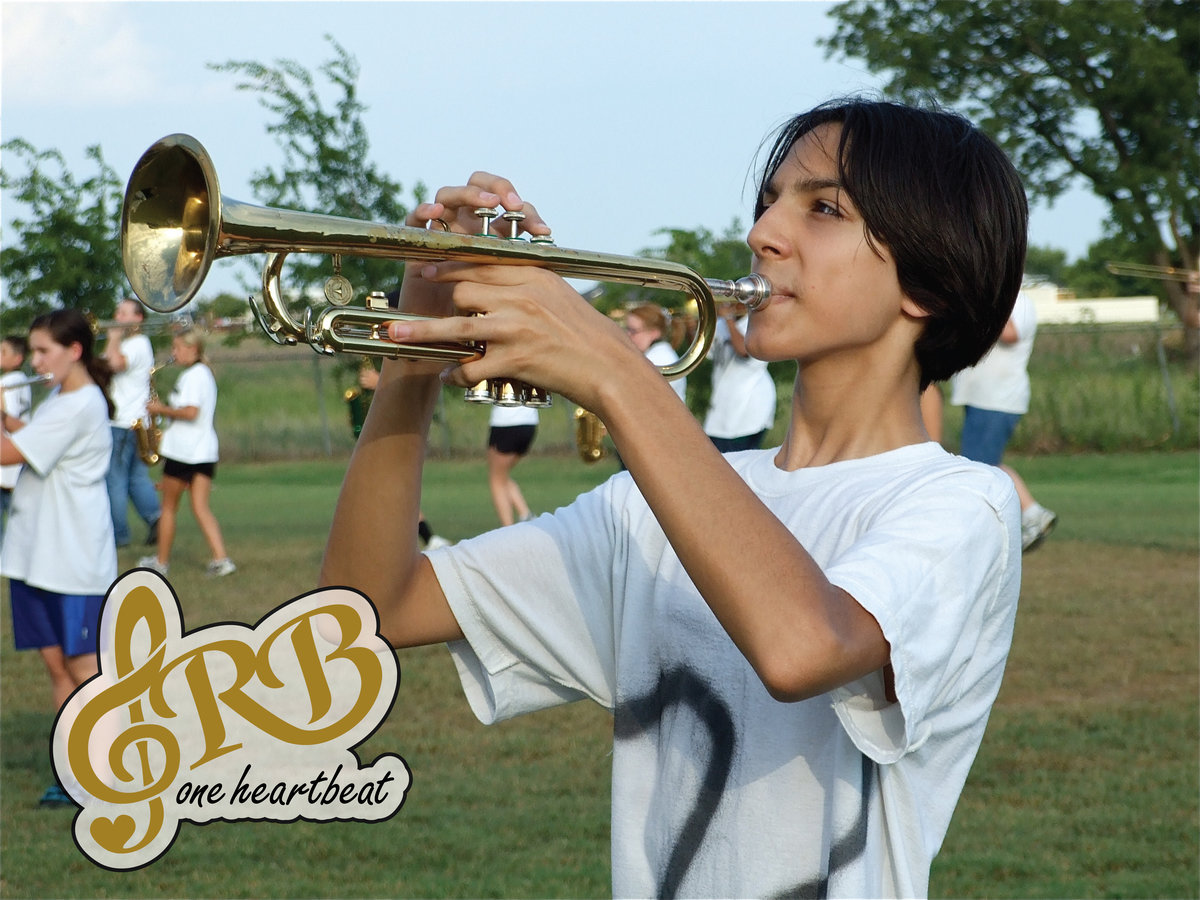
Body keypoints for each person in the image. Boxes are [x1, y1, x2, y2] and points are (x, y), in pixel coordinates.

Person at [320, 97, 1028, 897]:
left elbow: (803, 648)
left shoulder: (964, 506)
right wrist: (416, 349)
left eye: (823, 208)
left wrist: (614, 368)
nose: (763, 233)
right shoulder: (644, 509)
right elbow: (364, 611)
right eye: (768, 201)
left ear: (927, 284)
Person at [0, 309, 117, 807]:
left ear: (74, 352)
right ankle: (74, 773)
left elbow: (9, 455)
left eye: (45, 351)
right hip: (33, 556)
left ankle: (108, 773)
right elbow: (23, 436)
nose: (36, 360)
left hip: (71, 559)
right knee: (58, 670)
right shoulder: (58, 397)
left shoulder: (82, 403)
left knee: (85, 667)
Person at [950, 289, 1058, 551]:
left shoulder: (1016, 300)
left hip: (997, 399)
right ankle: (1032, 513)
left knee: (978, 469)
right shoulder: (991, 301)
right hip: (982, 399)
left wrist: (978, 305)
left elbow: (1011, 334)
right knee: (986, 464)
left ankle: (1014, 520)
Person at [138, 329, 235, 577]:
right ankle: (221, 559)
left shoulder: (193, 376)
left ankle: (160, 563)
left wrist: (160, 409)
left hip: (184, 451)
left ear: (192, 350)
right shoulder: (203, 374)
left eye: (177, 348)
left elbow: (191, 412)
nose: (173, 353)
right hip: (203, 451)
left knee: (168, 508)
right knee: (201, 508)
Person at [355, 362, 451, 550]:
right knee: (386, 492)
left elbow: (414, 389)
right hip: (387, 433)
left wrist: (380, 383)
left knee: (394, 491)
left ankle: (427, 540)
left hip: (402, 433)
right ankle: (424, 539)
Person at [103, 298, 162, 548]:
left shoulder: (136, 343)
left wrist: (113, 337)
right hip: (133, 421)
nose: (118, 316)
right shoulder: (134, 343)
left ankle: (119, 535)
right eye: (117, 311)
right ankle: (156, 520)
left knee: (114, 480)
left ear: (138, 318)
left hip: (122, 422)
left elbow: (112, 364)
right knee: (136, 479)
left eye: (124, 313)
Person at [702, 300, 776, 451]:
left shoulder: (758, 324)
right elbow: (703, 351)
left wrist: (728, 319)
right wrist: (694, 327)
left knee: (735, 465)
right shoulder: (721, 324)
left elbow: (744, 350)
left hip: (747, 410)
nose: (728, 304)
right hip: (724, 408)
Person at [1, 334, 34, 538]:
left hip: (7, 452)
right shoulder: (22, 380)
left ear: (17, 359)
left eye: (3, 352)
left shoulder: (8, 381)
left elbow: (7, 415)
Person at [485, 402, 538, 526]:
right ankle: (526, 515)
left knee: (496, 480)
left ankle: (508, 530)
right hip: (530, 422)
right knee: (502, 477)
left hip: (506, 421)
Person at [624, 304, 687, 403]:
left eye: (633, 331)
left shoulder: (657, 359)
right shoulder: (660, 353)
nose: (628, 335)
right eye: (626, 329)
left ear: (654, 332)